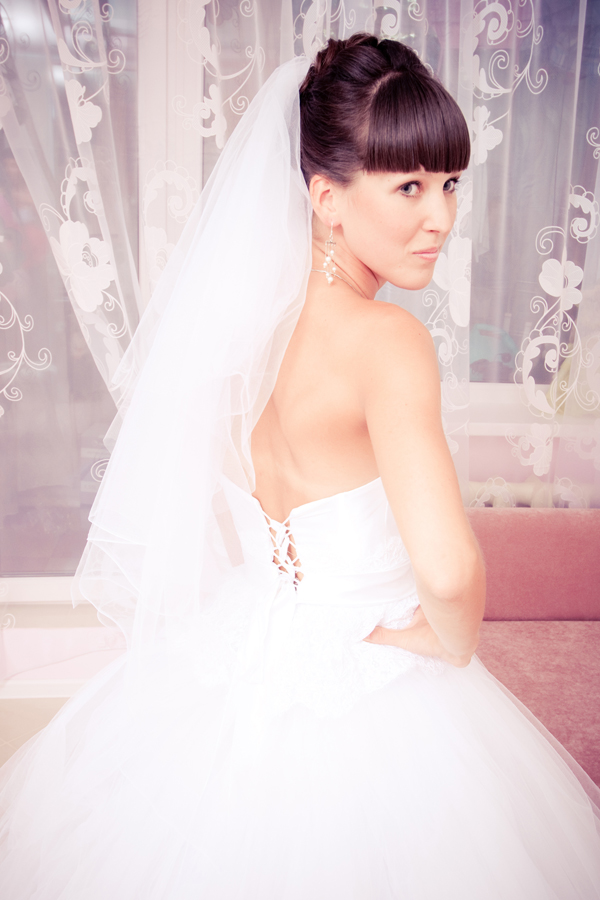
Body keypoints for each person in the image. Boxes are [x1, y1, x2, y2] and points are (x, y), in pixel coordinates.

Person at [1, 33, 599, 900]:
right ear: (326, 198)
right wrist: (444, 639)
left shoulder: (242, 332)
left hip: (243, 639)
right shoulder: (389, 343)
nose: (441, 217)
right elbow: (447, 572)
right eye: (409, 186)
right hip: (364, 674)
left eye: (450, 183)